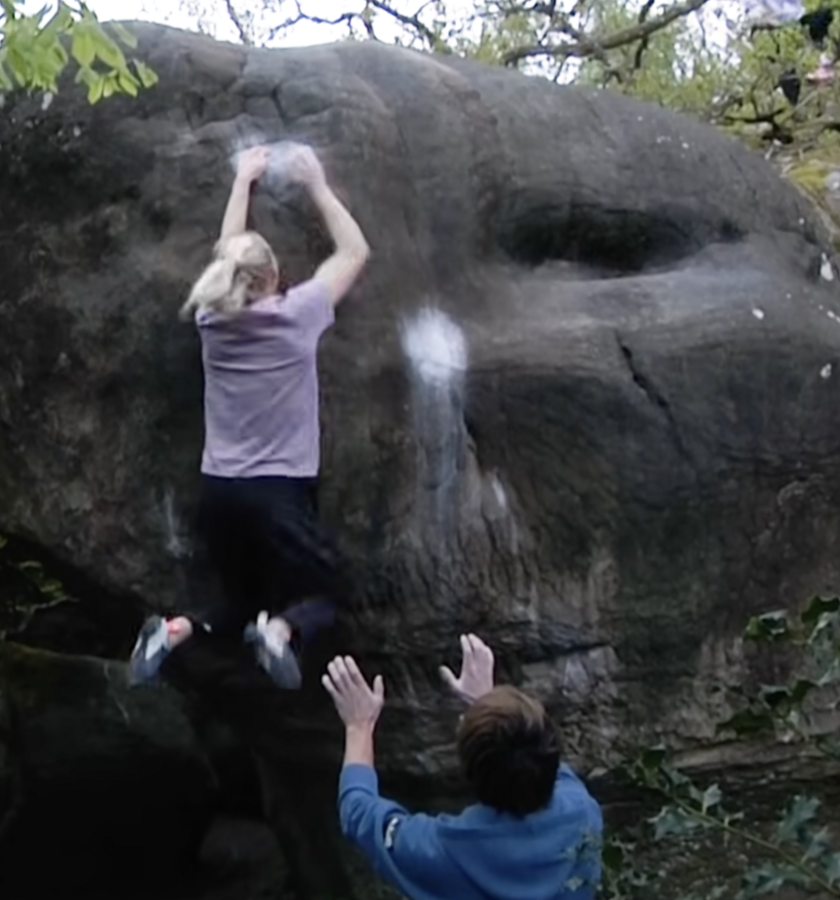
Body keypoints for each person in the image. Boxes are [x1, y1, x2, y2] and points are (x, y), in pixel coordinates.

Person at [128, 141, 370, 690]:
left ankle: (173, 630)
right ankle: (281, 632)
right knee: (326, 593)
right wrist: (317, 185)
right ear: (272, 278)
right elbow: (353, 253)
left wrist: (243, 181)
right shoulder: (298, 315)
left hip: (219, 490)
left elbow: (226, 257)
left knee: (239, 597)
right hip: (278, 492)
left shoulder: (212, 320)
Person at [321, 634, 605, 900]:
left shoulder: (444, 852)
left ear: (469, 771)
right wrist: (485, 705)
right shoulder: (584, 813)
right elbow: (540, 757)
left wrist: (360, 725)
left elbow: (357, 810)